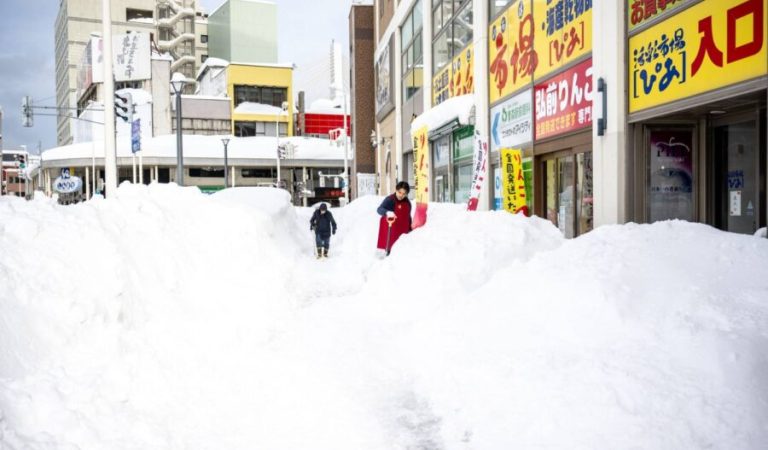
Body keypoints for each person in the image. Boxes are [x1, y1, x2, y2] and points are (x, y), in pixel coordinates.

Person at [376, 181, 412, 255]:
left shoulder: (408, 203)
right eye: (399, 192)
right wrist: (387, 212)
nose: (401, 195)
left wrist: (410, 230)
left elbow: (408, 217)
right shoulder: (390, 200)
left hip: (403, 236)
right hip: (391, 236)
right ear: (396, 190)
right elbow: (379, 209)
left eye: (404, 194)